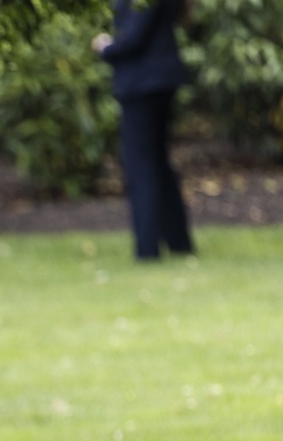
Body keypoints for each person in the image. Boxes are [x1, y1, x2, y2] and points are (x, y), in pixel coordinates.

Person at [93, 0, 195, 260]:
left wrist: (106, 47)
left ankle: (147, 248)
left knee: (141, 165)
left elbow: (134, 37)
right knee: (158, 161)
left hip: (142, 83)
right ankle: (178, 241)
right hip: (160, 78)